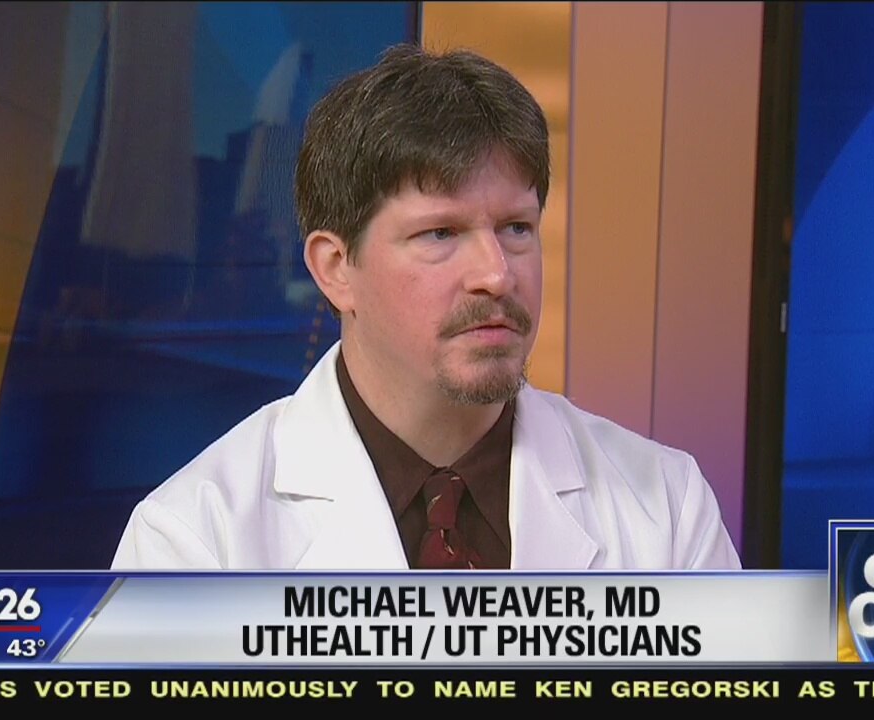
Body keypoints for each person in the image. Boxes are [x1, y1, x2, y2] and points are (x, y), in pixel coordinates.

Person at [111, 43, 741, 571]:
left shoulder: (667, 511)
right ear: (335, 269)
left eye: (517, 228)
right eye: (441, 233)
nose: (496, 274)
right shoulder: (195, 541)